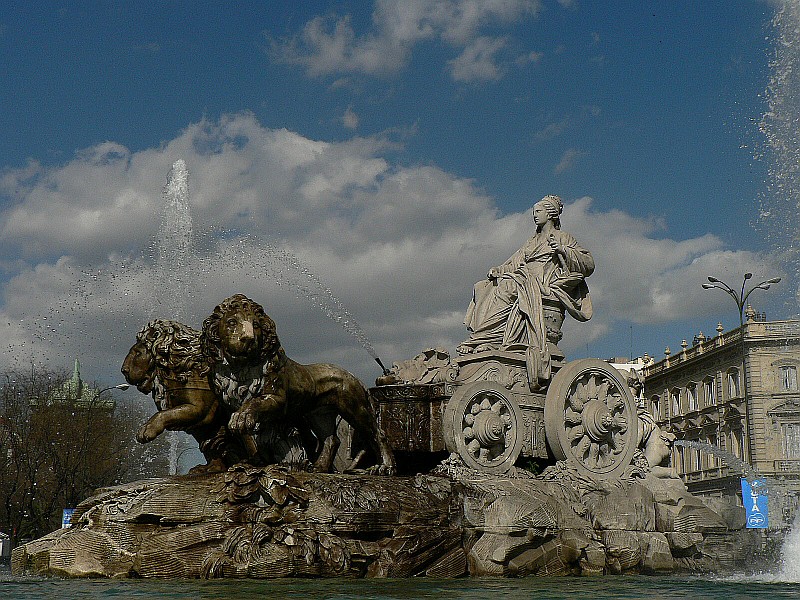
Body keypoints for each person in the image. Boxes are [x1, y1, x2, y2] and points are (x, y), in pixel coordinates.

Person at [458, 195, 594, 388]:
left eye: (538, 211)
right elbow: (514, 262)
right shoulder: (531, 241)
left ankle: (485, 339)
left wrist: (563, 250)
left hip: (541, 282)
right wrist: (499, 270)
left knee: (508, 287)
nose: (534, 215)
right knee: (482, 287)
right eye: (533, 212)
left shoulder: (563, 237)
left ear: (551, 213)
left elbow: (587, 264)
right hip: (523, 277)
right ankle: (488, 339)